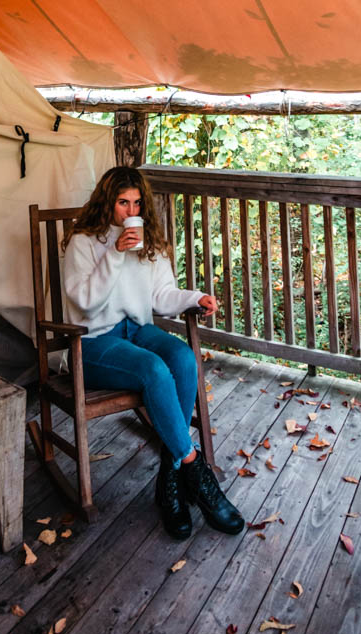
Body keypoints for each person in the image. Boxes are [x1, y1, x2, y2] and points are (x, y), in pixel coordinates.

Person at [63, 166, 243, 539]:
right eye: (122, 202)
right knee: (154, 371)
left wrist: (196, 298)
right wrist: (114, 253)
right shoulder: (84, 241)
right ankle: (196, 472)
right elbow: (86, 303)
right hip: (93, 339)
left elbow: (162, 297)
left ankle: (169, 481)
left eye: (137, 203)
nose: (130, 211)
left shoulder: (150, 241)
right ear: (106, 202)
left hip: (137, 329)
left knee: (182, 358)